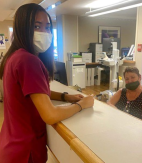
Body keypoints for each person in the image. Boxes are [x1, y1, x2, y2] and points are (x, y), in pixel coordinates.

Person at [0, 3, 94, 163]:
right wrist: (82, 105)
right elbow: (50, 116)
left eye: (47, 27)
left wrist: (66, 97)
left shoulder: (13, 56)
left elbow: (33, 93)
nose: (44, 32)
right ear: (23, 28)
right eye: (37, 26)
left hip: (11, 144)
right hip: (26, 151)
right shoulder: (28, 60)